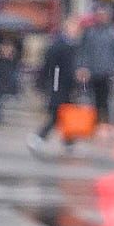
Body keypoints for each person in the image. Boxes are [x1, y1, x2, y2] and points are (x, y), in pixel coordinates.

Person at [28, 18, 88, 151]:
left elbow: (79, 66)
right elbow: (52, 68)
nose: (75, 32)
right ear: (66, 29)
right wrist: (53, 88)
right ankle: (40, 137)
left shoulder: (76, 46)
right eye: (73, 28)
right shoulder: (59, 46)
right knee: (57, 115)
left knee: (66, 114)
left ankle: (68, 142)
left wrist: (80, 82)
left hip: (69, 87)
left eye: (77, 29)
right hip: (58, 86)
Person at [79, 7, 114, 131]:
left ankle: (109, 122)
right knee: (93, 97)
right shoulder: (90, 33)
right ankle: (96, 121)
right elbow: (84, 51)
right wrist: (83, 67)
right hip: (93, 71)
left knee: (108, 98)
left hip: (108, 72)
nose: (101, 17)